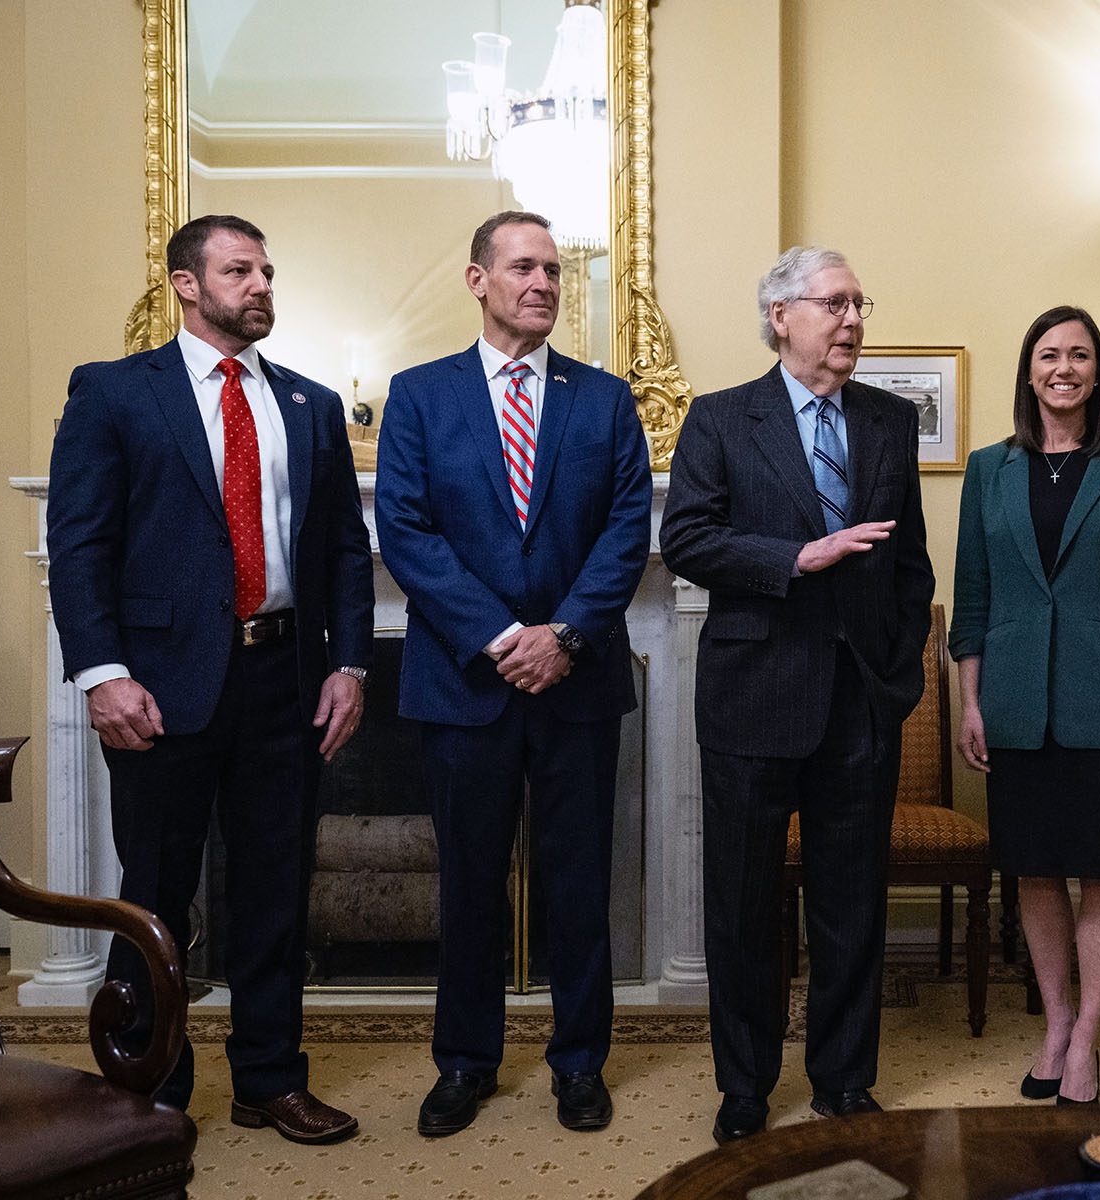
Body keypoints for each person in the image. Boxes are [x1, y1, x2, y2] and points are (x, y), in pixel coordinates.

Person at [46, 213, 374, 1142]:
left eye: (268, 270)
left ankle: (270, 1078)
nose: (261, 285)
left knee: (275, 887)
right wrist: (102, 673)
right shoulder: (114, 393)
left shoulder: (308, 405)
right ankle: (149, 1085)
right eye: (240, 270)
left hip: (285, 679)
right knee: (153, 888)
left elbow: (347, 554)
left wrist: (348, 663)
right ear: (187, 284)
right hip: (157, 683)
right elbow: (78, 546)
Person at [375, 210, 653, 1137]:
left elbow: (626, 533)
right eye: (523, 267)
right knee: (468, 884)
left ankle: (580, 1064)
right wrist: (501, 636)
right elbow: (405, 532)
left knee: (580, 882)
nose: (542, 283)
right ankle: (465, 1062)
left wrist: (564, 634)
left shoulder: (606, 399)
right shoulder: (419, 395)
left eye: (554, 270)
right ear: (478, 280)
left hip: (578, 683)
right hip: (463, 686)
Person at [659, 246, 934, 1144]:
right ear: (781, 315)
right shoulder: (720, 418)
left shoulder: (890, 422)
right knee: (741, 905)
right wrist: (794, 557)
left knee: (852, 902)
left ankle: (845, 1078)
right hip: (751, 695)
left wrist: (896, 676)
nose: (853, 319)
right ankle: (745, 1084)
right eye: (834, 304)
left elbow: (910, 560)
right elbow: (689, 538)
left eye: (860, 302)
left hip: (860, 701)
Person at [949, 305, 1100, 1106]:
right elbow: (973, 598)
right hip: (1016, 703)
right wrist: (970, 704)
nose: (1064, 368)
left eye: (1080, 355)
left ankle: (1087, 1040)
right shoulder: (990, 469)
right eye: (1048, 354)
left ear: (1098, 370)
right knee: (1037, 874)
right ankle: (1054, 1024)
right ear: (1028, 371)